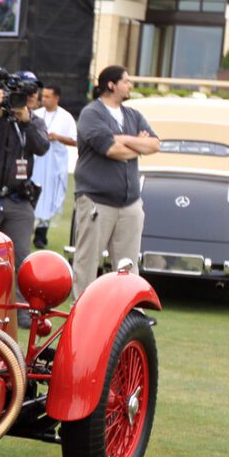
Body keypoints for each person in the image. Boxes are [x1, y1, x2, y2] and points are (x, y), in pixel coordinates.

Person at [72, 65, 161, 297]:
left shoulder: (134, 115)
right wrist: (137, 145)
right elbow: (112, 150)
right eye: (126, 81)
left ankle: (128, 315)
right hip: (96, 201)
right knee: (87, 262)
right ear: (111, 85)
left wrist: (123, 139)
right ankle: (82, 314)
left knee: (128, 267)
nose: (130, 85)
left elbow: (155, 144)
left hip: (130, 203)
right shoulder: (92, 114)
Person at [0, 72, 51, 320]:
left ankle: (21, 310)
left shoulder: (34, 121)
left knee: (21, 257)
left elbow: (42, 147)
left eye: (33, 94)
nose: (30, 98)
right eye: (25, 94)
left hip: (18, 199)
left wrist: (26, 122)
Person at [30, 84, 78, 249]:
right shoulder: (35, 115)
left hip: (54, 165)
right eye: (43, 96)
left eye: (47, 97)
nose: (44, 99)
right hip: (36, 162)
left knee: (49, 197)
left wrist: (57, 137)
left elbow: (75, 141)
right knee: (31, 193)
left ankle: (41, 236)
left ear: (56, 98)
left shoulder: (66, 117)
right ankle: (26, 227)